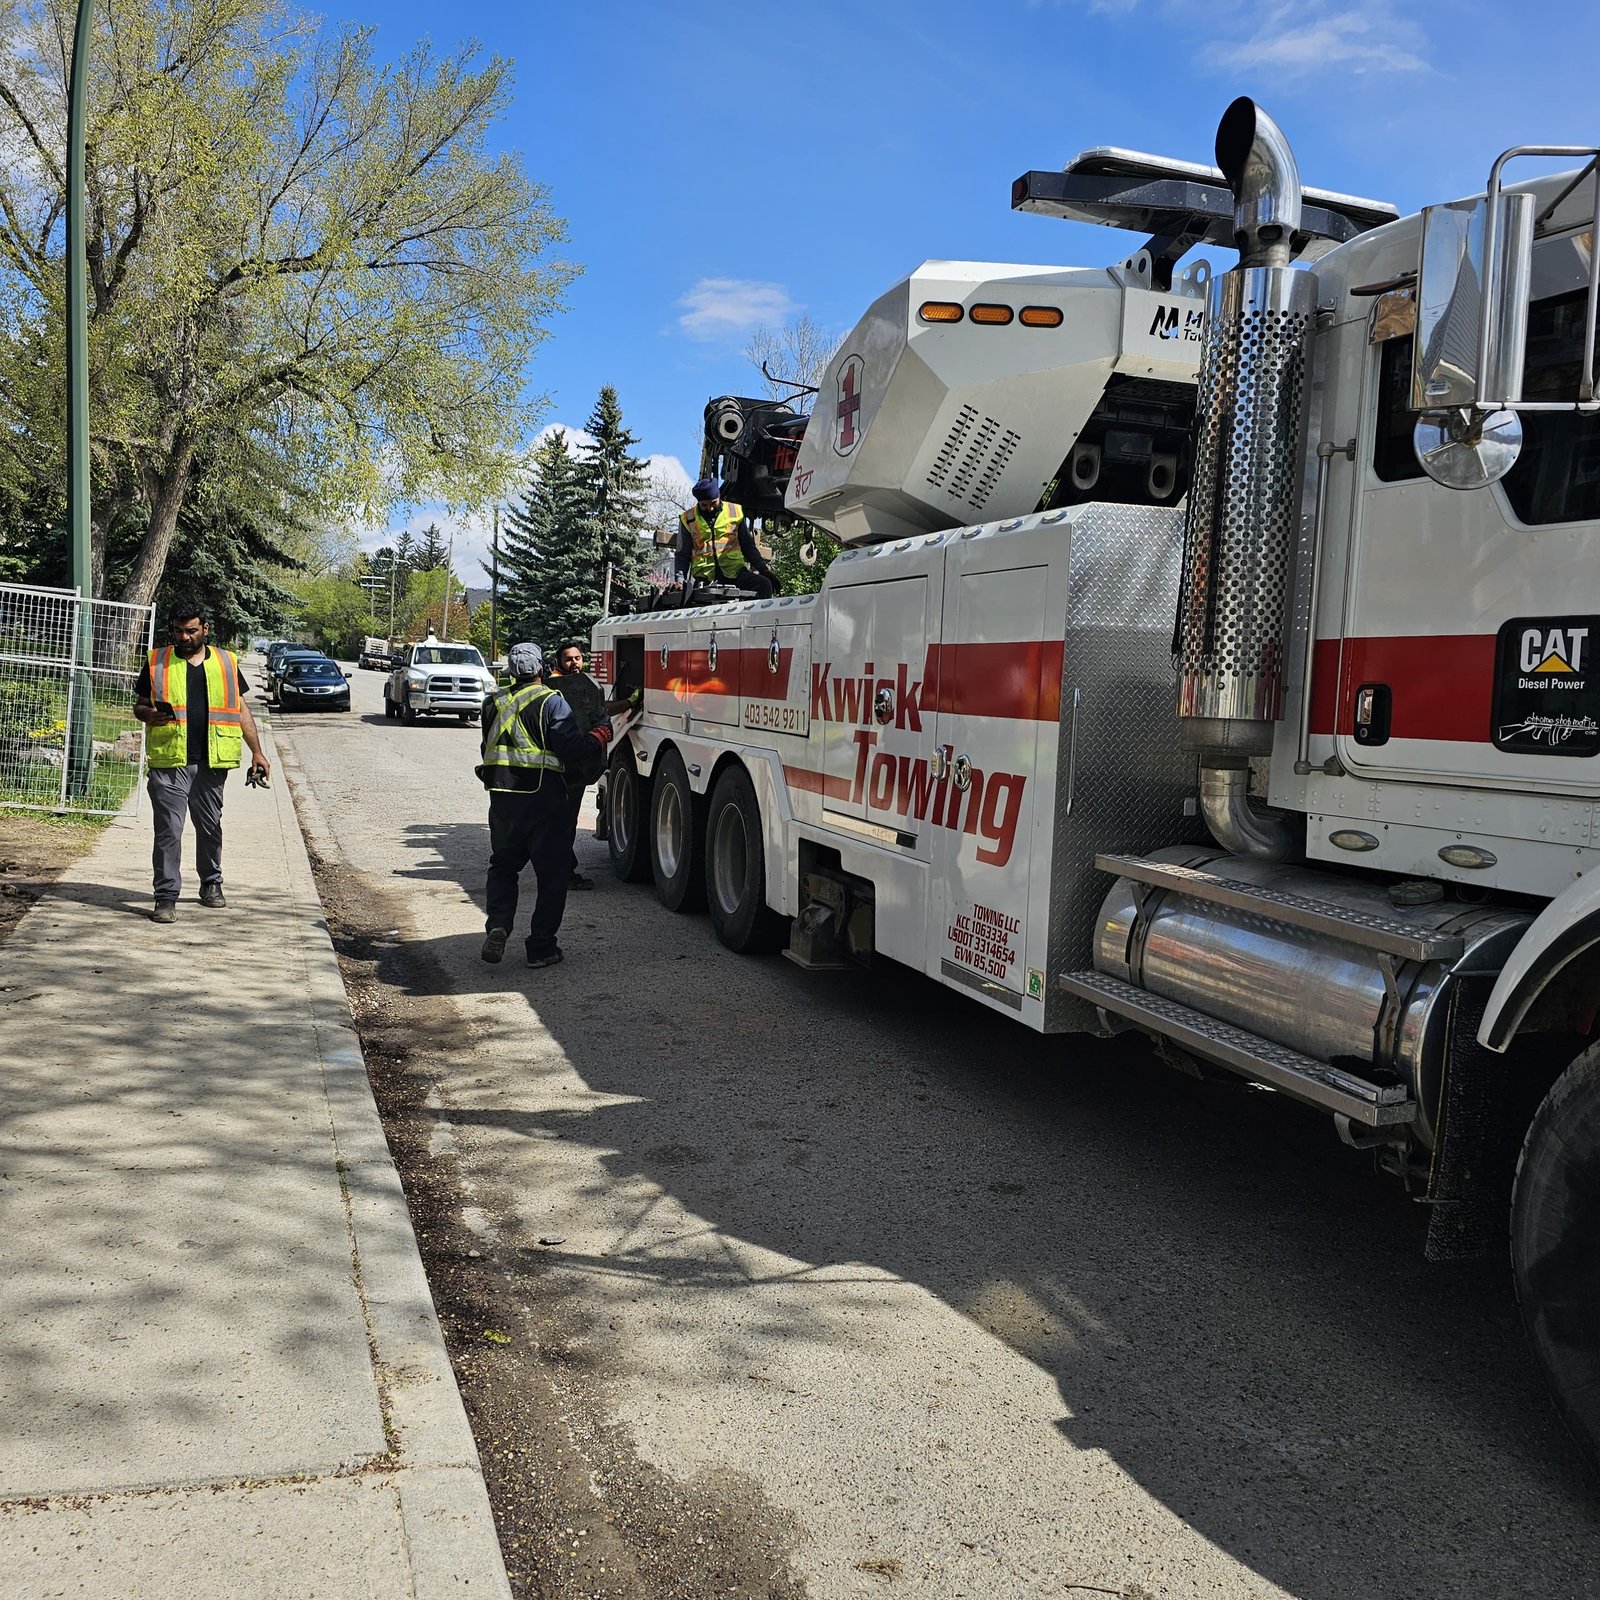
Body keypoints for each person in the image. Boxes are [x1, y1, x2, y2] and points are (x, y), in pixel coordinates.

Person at [133, 597, 270, 923]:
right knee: (169, 830)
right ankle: (165, 897)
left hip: (212, 762)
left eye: (191, 631)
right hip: (170, 761)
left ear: (205, 629)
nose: (184, 637)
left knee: (209, 827)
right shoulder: (157, 661)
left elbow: (239, 709)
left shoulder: (225, 662)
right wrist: (149, 714)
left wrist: (257, 751)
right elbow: (139, 705)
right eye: (178, 631)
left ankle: (211, 883)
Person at [478, 642, 613, 969]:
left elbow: (488, 746)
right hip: (543, 801)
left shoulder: (492, 704)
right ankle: (541, 947)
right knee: (551, 877)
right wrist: (599, 735)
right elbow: (572, 749)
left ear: (511, 671)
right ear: (541, 669)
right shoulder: (552, 703)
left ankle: (498, 924)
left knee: (504, 867)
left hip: (503, 800)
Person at [547, 642, 611, 891]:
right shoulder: (556, 689)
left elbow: (597, 711)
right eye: (568, 659)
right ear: (559, 663)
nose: (574, 663)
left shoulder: (583, 685)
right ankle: (563, 871)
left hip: (577, 767)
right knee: (562, 823)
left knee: (566, 821)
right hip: (564, 766)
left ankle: (561, 868)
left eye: (578, 658)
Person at [674, 476, 777, 599]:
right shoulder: (688, 519)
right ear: (698, 502)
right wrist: (679, 581)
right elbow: (682, 555)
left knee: (764, 585)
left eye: (713, 503)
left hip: (736, 574)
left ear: (719, 497)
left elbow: (748, 546)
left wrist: (764, 570)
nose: (710, 508)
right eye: (704, 505)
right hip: (705, 580)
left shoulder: (735, 512)